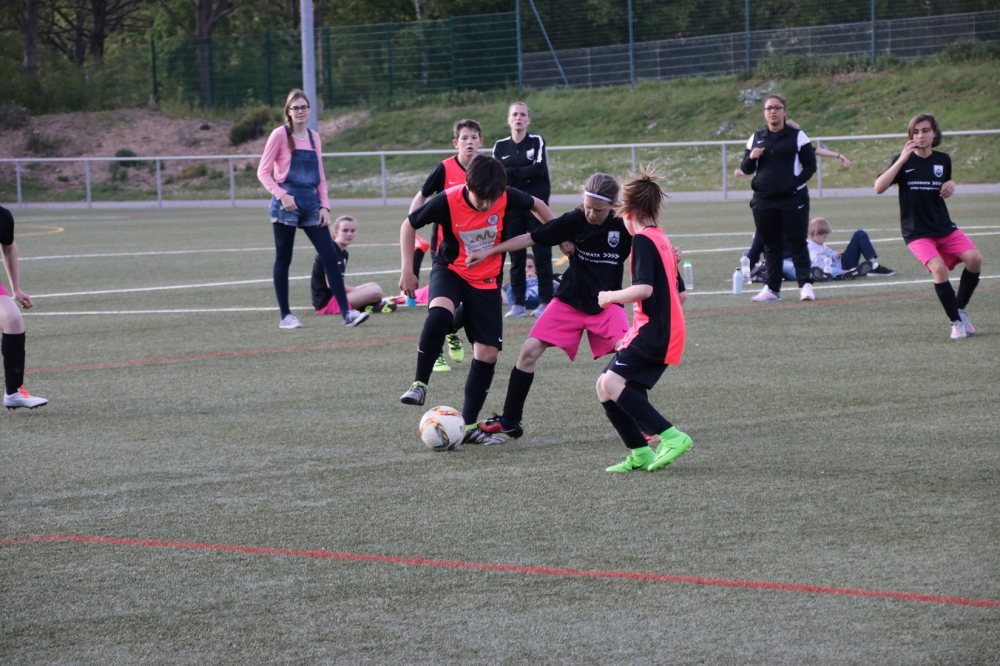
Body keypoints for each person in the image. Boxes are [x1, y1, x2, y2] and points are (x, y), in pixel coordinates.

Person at [398, 155, 554, 446]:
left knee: (488, 355)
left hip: (487, 280)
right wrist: (408, 269)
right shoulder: (447, 200)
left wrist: (561, 234)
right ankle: (419, 384)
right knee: (440, 314)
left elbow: (538, 206)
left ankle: (469, 426)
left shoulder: (505, 195)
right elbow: (409, 225)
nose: (486, 204)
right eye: (481, 198)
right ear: (468, 186)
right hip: (451, 269)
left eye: (492, 199)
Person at [465, 174, 632, 441]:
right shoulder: (574, 219)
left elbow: (651, 245)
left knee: (629, 355)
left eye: (598, 209)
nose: (590, 213)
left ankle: (642, 426)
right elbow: (529, 238)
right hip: (568, 301)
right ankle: (510, 420)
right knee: (528, 352)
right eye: (587, 206)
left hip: (607, 303)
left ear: (612, 205)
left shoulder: (624, 224)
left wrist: (671, 254)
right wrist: (489, 251)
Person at [593, 172, 690, 473]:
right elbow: (681, 294)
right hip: (661, 330)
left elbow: (644, 290)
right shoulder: (662, 240)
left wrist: (610, 296)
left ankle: (672, 437)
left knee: (611, 383)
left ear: (628, 211)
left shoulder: (643, 240)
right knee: (604, 387)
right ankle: (640, 453)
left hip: (655, 332)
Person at [257, 89, 368, 329]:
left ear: (309, 110)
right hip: (286, 204)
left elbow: (321, 177)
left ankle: (347, 314)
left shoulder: (314, 137)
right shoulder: (279, 135)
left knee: (330, 255)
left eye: (304, 107)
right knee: (284, 259)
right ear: (288, 111)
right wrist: (282, 195)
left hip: (311, 204)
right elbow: (263, 173)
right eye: (295, 107)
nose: (300, 111)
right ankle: (286, 316)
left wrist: (324, 206)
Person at [874, 113, 983, 339]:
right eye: (915, 132)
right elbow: (878, 188)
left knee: (975, 259)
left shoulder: (943, 160)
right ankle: (956, 323)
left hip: (944, 226)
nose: (920, 135)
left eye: (925, 131)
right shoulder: (902, 160)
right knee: (939, 269)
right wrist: (901, 160)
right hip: (917, 232)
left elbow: (946, 183)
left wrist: (951, 184)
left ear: (935, 134)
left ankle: (960, 309)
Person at [408, 119, 484, 370]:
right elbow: (422, 194)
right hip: (445, 249)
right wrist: (412, 221)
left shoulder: (487, 168)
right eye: (464, 138)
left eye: (474, 137)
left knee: (473, 303)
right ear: (455, 142)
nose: (469, 142)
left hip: (478, 248)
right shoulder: (445, 168)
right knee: (440, 303)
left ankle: (451, 329)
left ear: (481, 141)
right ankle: (436, 351)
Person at [740, 94, 818, 302]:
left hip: (793, 199)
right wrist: (751, 157)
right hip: (764, 200)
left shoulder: (798, 136)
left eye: (777, 107)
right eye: (768, 108)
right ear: (764, 113)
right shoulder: (756, 138)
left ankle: (805, 285)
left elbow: (810, 166)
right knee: (770, 245)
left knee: (797, 242)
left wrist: (793, 184)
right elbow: (746, 168)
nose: (772, 111)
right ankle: (772, 289)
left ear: (784, 111)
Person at [493, 102, 554, 318]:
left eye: (522, 114)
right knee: (516, 257)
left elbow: (538, 170)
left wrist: (512, 170)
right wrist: (523, 172)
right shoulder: (500, 146)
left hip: (536, 207)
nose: (518, 118)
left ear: (528, 119)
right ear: (508, 120)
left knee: (542, 255)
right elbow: (499, 176)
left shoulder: (537, 141)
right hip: (512, 209)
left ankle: (546, 302)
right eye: (514, 114)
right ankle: (517, 304)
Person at [0, 206, 47, 410]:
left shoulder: (2, 216)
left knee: (13, 319)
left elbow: (8, 248)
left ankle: (14, 392)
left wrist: (16, 289)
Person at [312, 216, 397, 316]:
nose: (349, 234)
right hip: (327, 303)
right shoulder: (330, 251)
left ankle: (366, 305)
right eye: (345, 230)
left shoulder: (343, 253)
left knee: (373, 285)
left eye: (352, 231)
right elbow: (331, 284)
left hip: (336, 296)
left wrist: (360, 292)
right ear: (336, 233)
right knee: (376, 292)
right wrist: (357, 291)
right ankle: (365, 305)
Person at [807, 218, 895, 281]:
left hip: (840, 263)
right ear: (816, 234)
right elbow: (817, 259)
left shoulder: (816, 243)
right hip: (841, 265)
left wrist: (835, 253)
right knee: (860, 234)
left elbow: (824, 255)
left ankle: (870, 266)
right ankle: (870, 267)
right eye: (824, 237)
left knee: (860, 234)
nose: (825, 239)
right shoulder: (812, 245)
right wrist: (834, 254)